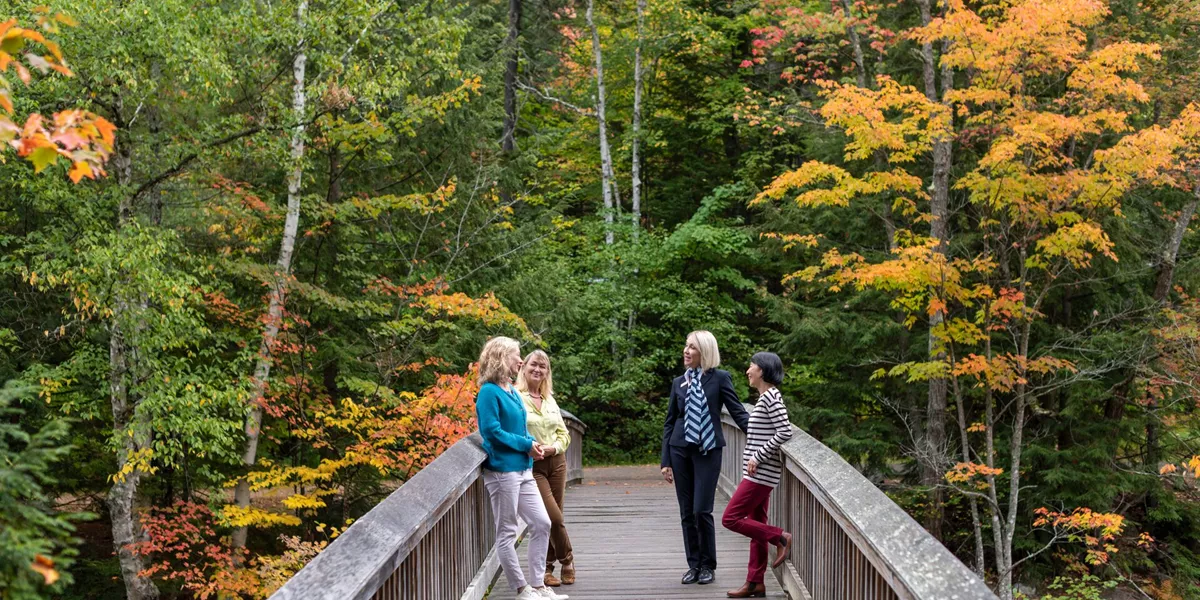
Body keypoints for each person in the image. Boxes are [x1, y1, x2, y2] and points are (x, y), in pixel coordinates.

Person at [475, 337, 568, 600]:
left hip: (525, 469)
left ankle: (538, 585)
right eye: (516, 355)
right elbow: (491, 431)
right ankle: (521, 588)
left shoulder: (512, 391)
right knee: (506, 532)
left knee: (542, 523)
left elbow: (519, 429)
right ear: (501, 357)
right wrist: (526, 444)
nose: (520, 360)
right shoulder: (488, 392)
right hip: (503, 471)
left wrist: (532, 445)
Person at [660, 330, 750, 586]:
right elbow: (670, 422)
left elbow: (737, 412)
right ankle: (694, 565)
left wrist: (760, 433)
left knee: (702, 509)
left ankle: (708, 564)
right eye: (686, 346)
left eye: (692, 348)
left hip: (708, 450)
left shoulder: (720, 379)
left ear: (705, 353)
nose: (686, 351)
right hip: (679, 449)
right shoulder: (679, 382)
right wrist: (665, 460)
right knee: (686, 512)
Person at [721, 352, 794, 598]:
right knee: (756, 526)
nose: (748, 370)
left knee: (730, 518)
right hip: (758, 472)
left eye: (751, 366)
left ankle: (780, 537)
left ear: (762, 370)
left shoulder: (772, 397)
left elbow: (785, 430)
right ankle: (755, 582)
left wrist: (758, 456)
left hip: (761, 473)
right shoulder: (765, 398)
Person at [516, 350, 576, 587]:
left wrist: (554, 447)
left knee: (555, 516)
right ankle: (568, 560)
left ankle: (547, 569)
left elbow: (565, 433)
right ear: (524, 367)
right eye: (533, 365)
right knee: (552, 517)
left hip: (557, 462)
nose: (538, 370)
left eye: (543, 366)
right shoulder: (516, 398)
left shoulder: (549, 399)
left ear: (547, 372)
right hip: (534, 464)